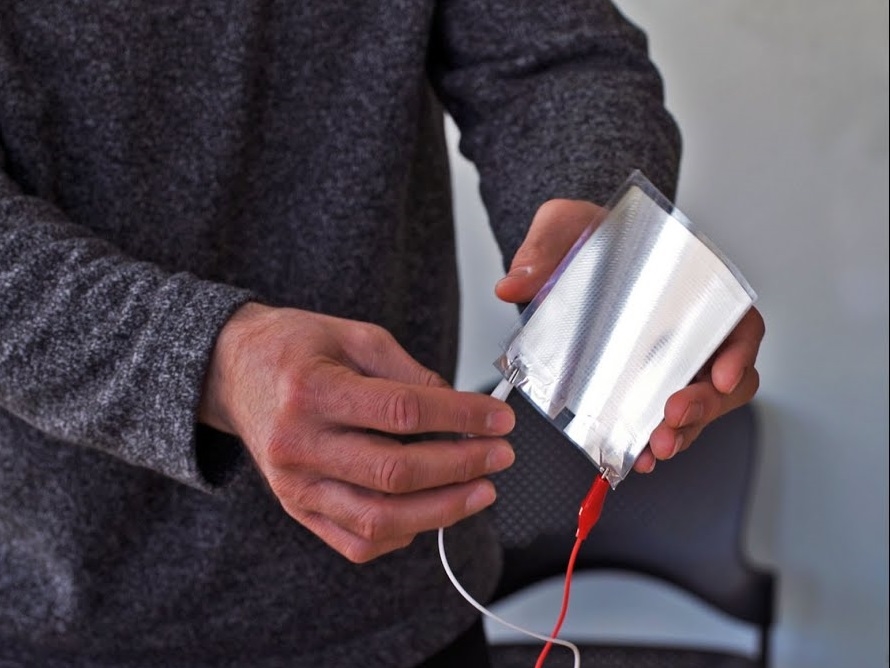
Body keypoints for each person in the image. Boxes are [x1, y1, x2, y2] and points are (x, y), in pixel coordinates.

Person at [0, 2, 764, 667]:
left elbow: (554, 56)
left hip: (403, 612)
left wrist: (606, 251)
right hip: (50, 620)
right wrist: (205, 360)